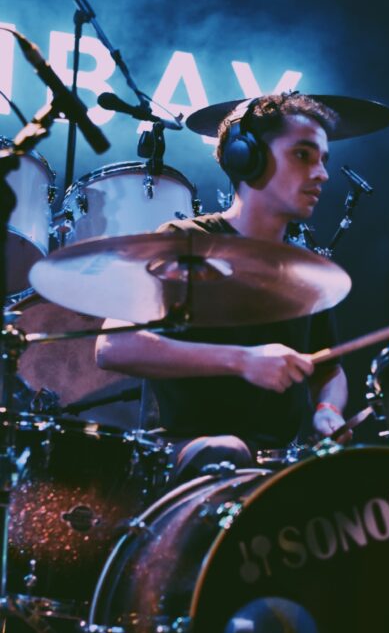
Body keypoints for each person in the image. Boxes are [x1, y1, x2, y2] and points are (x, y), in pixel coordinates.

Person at [95, 93, 348, 478]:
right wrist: (243, 360)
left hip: (276, 463)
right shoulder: (185, 242)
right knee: (226, 451)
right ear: (246, 157)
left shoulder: (309, 271)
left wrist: (328, 410)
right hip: (185, 452)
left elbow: (328, 370)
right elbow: (113, 346)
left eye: (323, 160)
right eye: (302, 155)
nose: (321, 174)